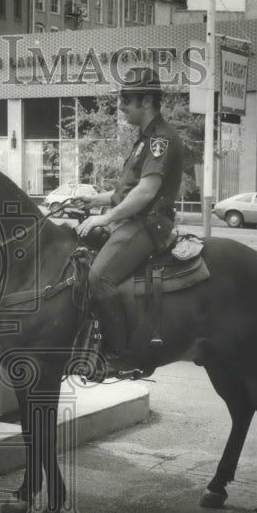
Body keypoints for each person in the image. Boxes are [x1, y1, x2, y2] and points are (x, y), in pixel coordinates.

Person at [73, 67, 184, 373]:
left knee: (99, 277)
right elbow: (127, 190)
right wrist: (96, 199)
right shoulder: (143, 140)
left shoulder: (161, 140)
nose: (120, 106)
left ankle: (119, 356)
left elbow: (146, 192)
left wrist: (105, 218)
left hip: (148, 225)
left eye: (126, 99)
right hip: (133, 219)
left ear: (146, 100)